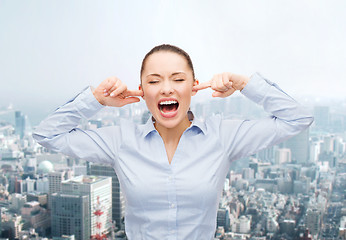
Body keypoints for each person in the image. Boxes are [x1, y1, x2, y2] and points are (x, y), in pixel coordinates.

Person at [33, 44, 313, 240]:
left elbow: (298, 119)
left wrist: (244, 84)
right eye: (154, 82)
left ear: (194, 86)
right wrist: (95, 99)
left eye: (178, 79)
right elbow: (47, 134)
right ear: (141, 91)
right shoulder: (121, 140)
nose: (167, 88)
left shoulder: (223, 136)